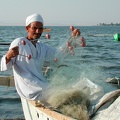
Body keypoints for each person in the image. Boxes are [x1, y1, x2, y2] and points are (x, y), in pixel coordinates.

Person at [1, 13, 80, 101]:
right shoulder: (19, 42)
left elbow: (58, 55)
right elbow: (4, 66)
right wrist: (8, 56)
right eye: (34, 28)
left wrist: (72, 38)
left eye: (40, 29)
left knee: (74, 89)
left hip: (43, 86)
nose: (38, 31)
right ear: (27, 28)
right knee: (68, 96)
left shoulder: (42, 47)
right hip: (30, 91)